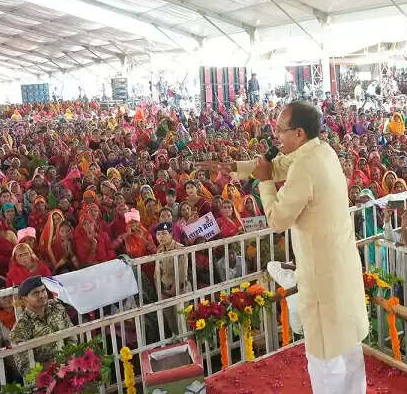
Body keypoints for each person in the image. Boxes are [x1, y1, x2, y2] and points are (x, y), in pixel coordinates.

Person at [208, 101, 369, 393]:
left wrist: (264, 182)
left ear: (299, 133)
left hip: (322, 276)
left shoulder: (304, 167)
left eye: (280, 130)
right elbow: (280, 165)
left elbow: (278, 219)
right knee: (348, 344)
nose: (276, 137)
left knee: (324, 355)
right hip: (341, 265)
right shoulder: (323, 151)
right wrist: (235, 168)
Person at [9, 276, 74, 375]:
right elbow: (24, 367)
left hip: (70, 367)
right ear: (24, 299)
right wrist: (51, 367)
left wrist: (70, 357)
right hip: (47, 377)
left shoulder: (57, 307)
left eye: (43, 290)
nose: (42, 295)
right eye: (35, 293)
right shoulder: (21, 327)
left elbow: (71, 334)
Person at [153, 222, 189, 336]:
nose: (161, 237)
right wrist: (160, 292)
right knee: (172, 324)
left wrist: (173, 291)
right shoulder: (159, 250)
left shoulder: (180, 249)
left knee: (183, 324)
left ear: (171, 234)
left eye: (164, 233)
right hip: (164, 291)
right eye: (158, 234)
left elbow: (181, 274)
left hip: (179, 290)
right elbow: (157, 274)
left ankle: (189, 343)